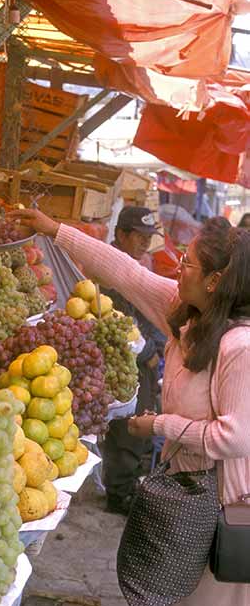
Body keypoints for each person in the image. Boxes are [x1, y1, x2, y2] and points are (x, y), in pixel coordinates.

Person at [6, 205, 250, 606]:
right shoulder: (189, 316)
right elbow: (125, 272)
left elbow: (237, 436)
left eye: (187, 262)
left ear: (214, 281)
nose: (174, 266)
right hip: (198, 489)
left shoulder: (238, 347)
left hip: (230, 496)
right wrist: (54, 231)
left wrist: (156, 426)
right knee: (207, 605)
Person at [102, 206, 167, 514]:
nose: (144, 244)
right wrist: (149, 352)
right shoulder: (111, 269)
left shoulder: (133, 265)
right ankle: (120, 491)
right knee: (129, 425)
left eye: (148, 238)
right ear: (121, 234)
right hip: (129, 358)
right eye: (139, 237)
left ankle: (125, 484)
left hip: (142, 355)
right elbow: (121, 322)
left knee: (139, 418)